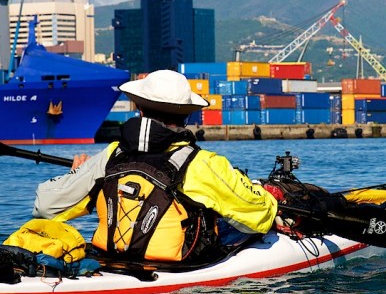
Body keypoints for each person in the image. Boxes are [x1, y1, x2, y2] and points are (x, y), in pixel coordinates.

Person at [33, 70, 278, 265]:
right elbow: (260, 217)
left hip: (112, 263)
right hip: (180, 275)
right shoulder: (204, 163)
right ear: (187, 116)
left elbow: (45, 206)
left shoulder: (111, 155)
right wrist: (266, 196)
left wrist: (78, 174)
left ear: (139, 109)